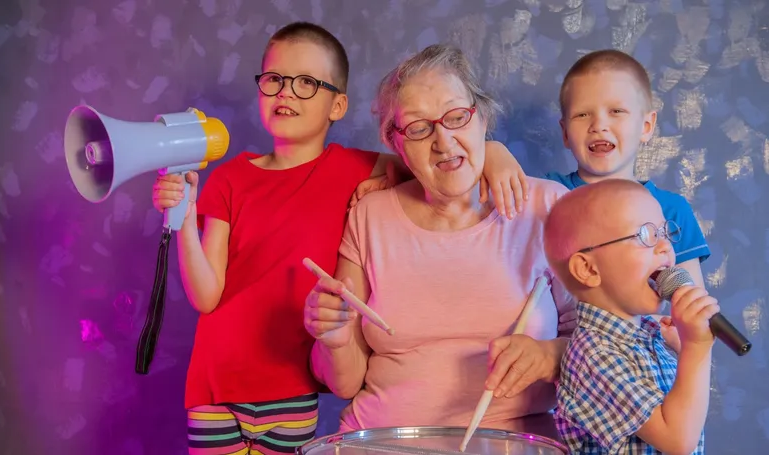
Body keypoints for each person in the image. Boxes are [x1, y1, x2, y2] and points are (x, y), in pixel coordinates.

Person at [150, 22, 527, 455]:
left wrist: (493, 153)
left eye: (306, 82)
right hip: (215, 384)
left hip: (291, 386)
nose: (286, 93)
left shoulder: (357, 167)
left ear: (338, 105)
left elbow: (437, 163)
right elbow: (205, 297)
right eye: (274, 79)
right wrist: (183, 217)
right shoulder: (228, 179)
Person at [303, 43, 577, 440]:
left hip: (510, 443)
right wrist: (333, 338)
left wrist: (549, 356)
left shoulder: (548, 207)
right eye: (418, 127)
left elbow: (606, 347)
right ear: (396, 144)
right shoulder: (369, 216)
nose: (444, 142)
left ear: (482, 118)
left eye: (457, 117)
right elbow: (345, 384)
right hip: (383, 441)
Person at [543, 178, 715, 454]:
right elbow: (677, 440)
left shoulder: (651, 335)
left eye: (665, 232)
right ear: (588, 269)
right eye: (646, 235)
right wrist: (697, 348)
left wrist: (685, 349)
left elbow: (686, 410)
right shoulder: (593, 354)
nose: (665, 246)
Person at [544, 49, 710, 292]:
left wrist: (689, 311)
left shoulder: (673, 212)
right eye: (582, 114)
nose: (599, 125)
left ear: (646, 126)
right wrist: (496, 155)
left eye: (616, 111)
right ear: (565, 133)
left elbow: (691, 301)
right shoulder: (546, 195)